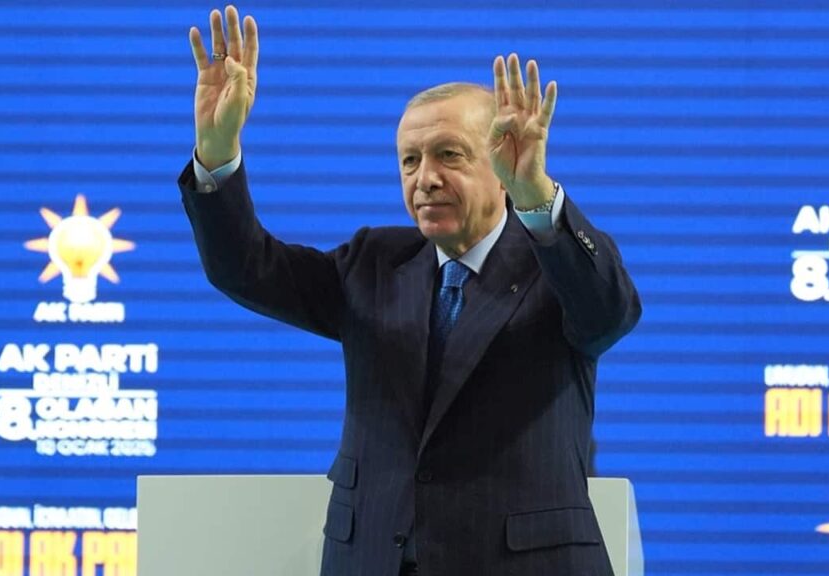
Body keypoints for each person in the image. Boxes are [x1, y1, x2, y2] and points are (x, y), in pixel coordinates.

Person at [180, 6, 641, 576]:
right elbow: (246, 268)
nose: (425, 178)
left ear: (504, 166)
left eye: (449, 155)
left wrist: (537, 195)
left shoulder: (556, 265)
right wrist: (218, 153)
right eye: (409, 161)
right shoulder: (373, 262)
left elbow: (609, 312)